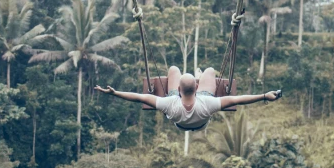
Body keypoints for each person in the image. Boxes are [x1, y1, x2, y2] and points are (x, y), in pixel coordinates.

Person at [94, 66, 282, 131]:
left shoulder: (170, 103)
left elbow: (139, 97)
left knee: (174, 70)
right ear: (198, 88)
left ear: (177, 90)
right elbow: (237, 100)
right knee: (210, 71)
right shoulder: (207, 102)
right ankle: (198, 75)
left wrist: (115, 93)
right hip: (201, 119)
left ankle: (190, 76)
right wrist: (264, 95)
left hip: (180, 122)